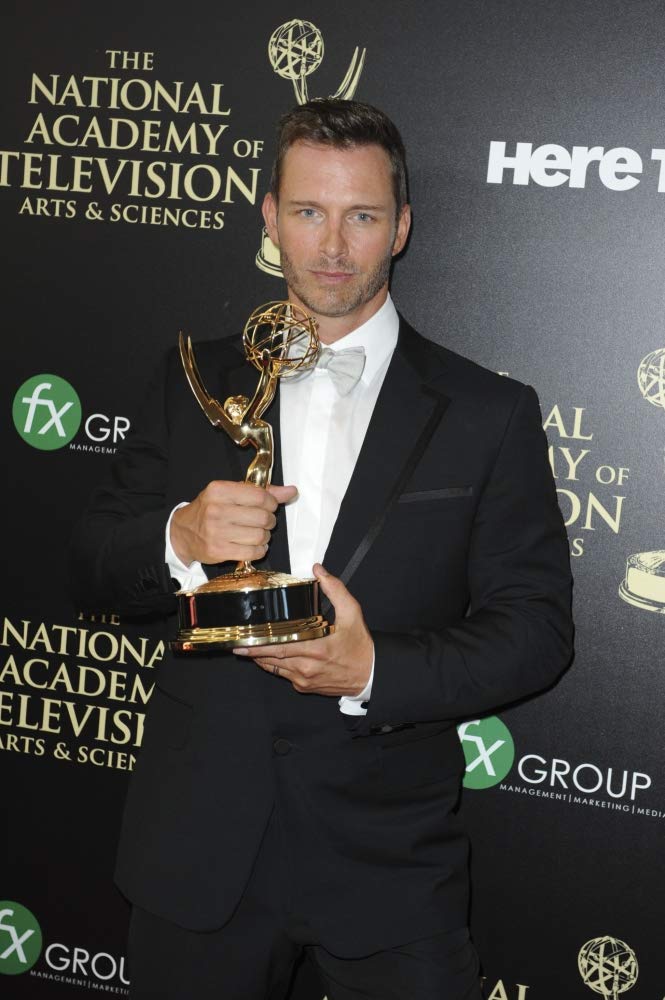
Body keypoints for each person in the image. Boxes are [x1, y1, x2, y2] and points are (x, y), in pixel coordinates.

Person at [70, 98, 573, 1000]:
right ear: (269, 217)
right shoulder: (190, 380)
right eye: (308, 211)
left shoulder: (489, 413)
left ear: (402, 227)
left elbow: (535, 631)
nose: (333, 244)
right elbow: (94, 562)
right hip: (198, 855)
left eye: (362, 215)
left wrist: (373, 666)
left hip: (389, 865)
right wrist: (179, 536)